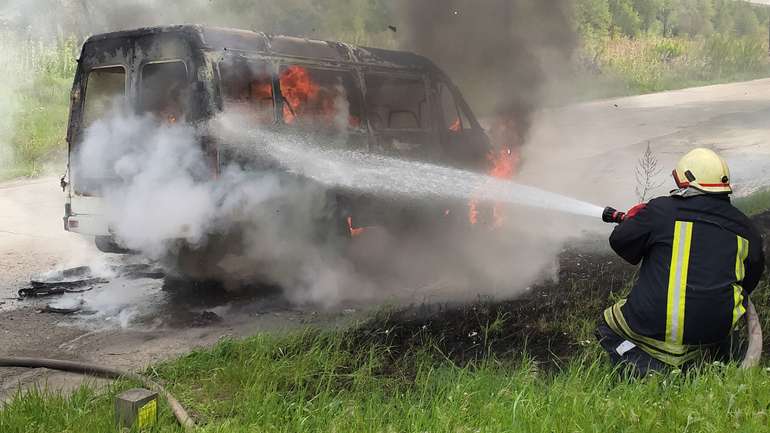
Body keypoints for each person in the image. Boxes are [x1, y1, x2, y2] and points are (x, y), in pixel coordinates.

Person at [596, 148, 765, 375]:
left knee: (607, 325)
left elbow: (621, 242)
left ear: (687, 183)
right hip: (713, 330)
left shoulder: (661, 210)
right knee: (723, 322)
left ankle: (644, 368)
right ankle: (712, 363)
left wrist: (635, 219)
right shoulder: (747, 229)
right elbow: (748, 283)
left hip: (652, 323)